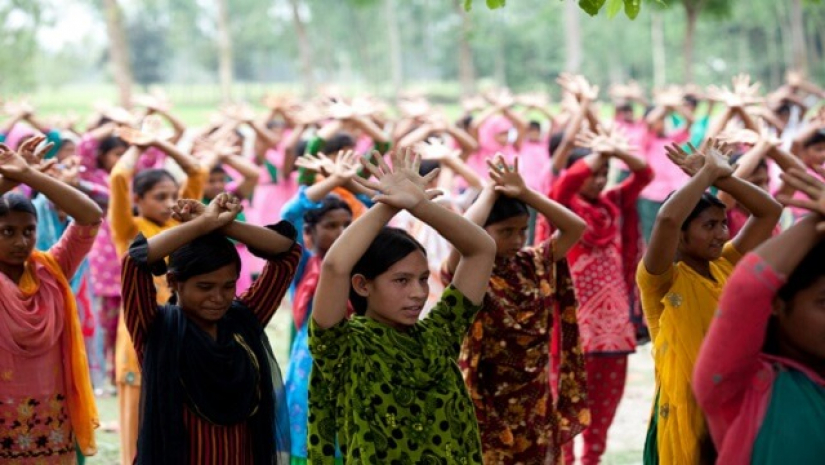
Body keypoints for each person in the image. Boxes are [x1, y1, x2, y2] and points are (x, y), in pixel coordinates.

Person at [307, 150, 497, 463]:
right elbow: (335, 267)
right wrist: (388, 204)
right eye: (401, 281)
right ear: (362, 285)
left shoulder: (439, 335)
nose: (418, 293)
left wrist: (419, 205)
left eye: (423, 279)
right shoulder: (343, 347)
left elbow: (481, 250)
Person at [120, 193, 299, 465]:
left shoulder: (244, 321)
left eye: (229, 286)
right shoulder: (155, 328)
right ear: (173, 282)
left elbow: (287, 253)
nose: (219, 297)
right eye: (205, 287)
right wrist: (202, 224)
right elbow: (134, 262)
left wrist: (224, 224)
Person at [637, 139, 782, 465]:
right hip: (687, 408)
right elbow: (666, 221)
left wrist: (719, 177)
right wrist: (703, 176)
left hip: (734, 399)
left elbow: (770, 211)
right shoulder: (661, 278)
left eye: (722, 224)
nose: (721, 234)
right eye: (709, 226)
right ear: (682, 235)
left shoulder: (726, 262)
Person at [443, 154, 589, 464]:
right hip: (485, 400)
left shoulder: (532, 263)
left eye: (522, 230)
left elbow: (575, 227)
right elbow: (461, 236)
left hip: (534, 401)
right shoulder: (469, 272)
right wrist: (489, 191)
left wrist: (525, 193)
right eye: (506, 232)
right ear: (483, 232)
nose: (517, 239)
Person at [694, 167, 825, 464]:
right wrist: (814, 222)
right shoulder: (741, 386)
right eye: (824, 303)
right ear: (778, 303)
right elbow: (747, 288)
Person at [550, 129, 653, 465]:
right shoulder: (562, 207)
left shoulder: (614, 204)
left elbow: (644, 173)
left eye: (603, 176)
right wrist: (599, 155)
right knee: (565, 403)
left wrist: (614, 151)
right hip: (573, 326)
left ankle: (592, 460)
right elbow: (564, 184)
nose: (597, 181)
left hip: (614, 329)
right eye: (591, 174)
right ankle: (567, 461)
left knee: (605, 405)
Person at [0, 138, 103, 463]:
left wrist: (31, 175)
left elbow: (89, 216)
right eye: (7, 232)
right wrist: (10, 181)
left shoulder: (52, 269)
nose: (21, 241)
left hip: (53, 422)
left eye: (28, 231)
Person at [108, 133, 206, 465]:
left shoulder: (182, 222)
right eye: (159, 196)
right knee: (136, 418)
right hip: (141, 331)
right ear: (138, 199)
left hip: (181, 329)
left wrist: (162, 144)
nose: (169, 203)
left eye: (172, 195)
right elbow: (119, 177)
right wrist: (139, 143)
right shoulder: (127, 228)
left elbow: (197, 174)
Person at [284, 197, 353, 464]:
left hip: (353, 358)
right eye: (332, 225)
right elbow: (290, 215)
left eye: (348, 225)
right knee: (309, 430)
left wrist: (350, 184)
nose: (342, 233)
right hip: (310, 363)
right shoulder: (304, 265)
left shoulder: (364, 267)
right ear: (310, 232)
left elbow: (372, 207)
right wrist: (332, 180)